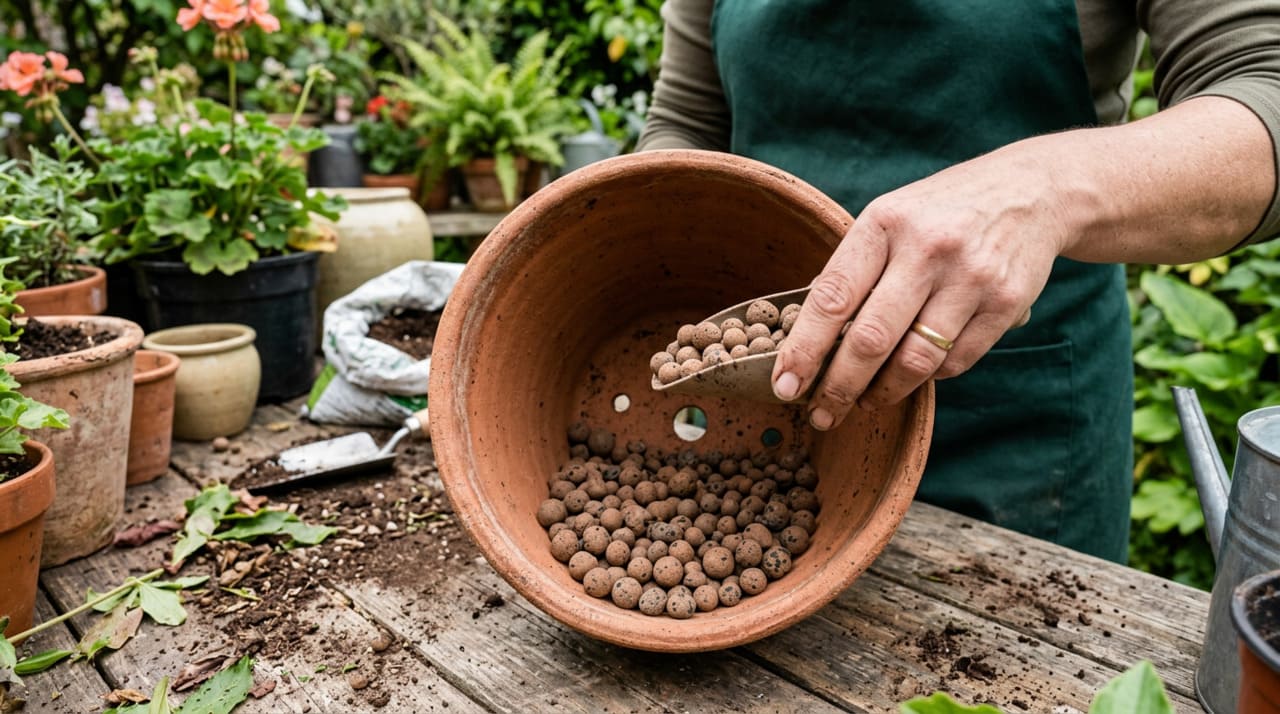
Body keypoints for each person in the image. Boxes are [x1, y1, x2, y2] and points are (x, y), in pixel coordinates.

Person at [636, 0, 1280, 562]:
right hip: (769, 421)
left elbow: (1266, 92)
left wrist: (1042, 189)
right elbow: (686, 120)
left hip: (1014, 419)